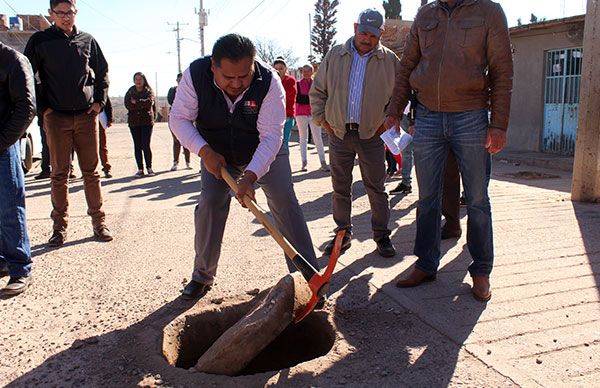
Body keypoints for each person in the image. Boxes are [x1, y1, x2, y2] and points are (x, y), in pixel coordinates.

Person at [170, 33, 320, 300]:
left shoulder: (269, 82)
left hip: (264, 149)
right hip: (216, 152)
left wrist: (250, 176)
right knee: (209, 203)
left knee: (285, 199)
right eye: (229, 77)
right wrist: (205, 152)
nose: (237, 83)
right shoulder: (195, 75)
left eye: (244, 76)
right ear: (213, 66)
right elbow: (179, 119)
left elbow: (272, 137)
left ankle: (308, 278)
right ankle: (202, 276)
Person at [386, 0, 513, 302]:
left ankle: (481, 270)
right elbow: (406, 67)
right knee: (427, 197)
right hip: (427, 116)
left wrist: (499, 125)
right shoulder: (426, 14)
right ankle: (426, 263)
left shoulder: (489, 12)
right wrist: (393, 111)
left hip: (471, 116)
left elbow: (502, 71)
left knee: (478, 199)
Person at [310, 8, 400, 258]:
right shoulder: (335, 55)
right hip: (339, 134)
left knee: (377, 188)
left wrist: (386, 124)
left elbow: (399, 97)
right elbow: (318, 91)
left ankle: (382, 235)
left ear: (380, 34)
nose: (367, 39)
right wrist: (322, 120)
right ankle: (342, 234)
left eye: (373, 35)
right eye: (363, 33)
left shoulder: (390, 61)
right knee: (340, 187)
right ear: (354, 28)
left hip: (372, 135)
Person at [25, 0, 113, 247]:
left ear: (76, 12)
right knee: (59, 174)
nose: (65, 17)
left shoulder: (87, 40)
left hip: (86, 117)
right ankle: (59, 229)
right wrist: (44, 108)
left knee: (91, 173)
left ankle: (99, 223)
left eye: (70, 12)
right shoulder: (40, 41)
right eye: (60, 13)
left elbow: (102, 71)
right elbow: (28, 75)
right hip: (56, 118)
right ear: (51, 14)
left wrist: (99, 103)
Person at [0, 43, 36, 295]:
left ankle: (20, 268)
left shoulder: (12, 60)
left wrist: (1, 140)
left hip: (3, 146)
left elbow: (26, 108)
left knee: (9, 207)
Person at [295, 64, 329, 172]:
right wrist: (310, 99)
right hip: (301, 114)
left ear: (312, 71)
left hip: (314, 114)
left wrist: (308, 99)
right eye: (304, 71)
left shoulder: (316, 83)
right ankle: (304, 162)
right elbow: (299, 99)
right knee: (303, 138)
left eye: (308, 71)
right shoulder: (298, 84)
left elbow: (319, 97)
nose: (305, 73)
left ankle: (323, 162)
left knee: (317, 138)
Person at [124, 72, 156, 177]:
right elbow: (128, 104)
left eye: (140, 79)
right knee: (137, 145)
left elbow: (149, 103)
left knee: (145, 145)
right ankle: (140, 169)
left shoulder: (148, 91)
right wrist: (140, 104)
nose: (138, 81)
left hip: (146, 122)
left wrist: (136, 102)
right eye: (136, 79)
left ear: (144, 80)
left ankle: (149, 167)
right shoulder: (130, 91)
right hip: (134, 122)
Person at [167, 73, 191, 171]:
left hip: (188, 116)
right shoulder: (173, 90)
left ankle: (188, 162)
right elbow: (171, 100)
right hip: (175, 117)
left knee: (187, 140)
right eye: (179, 80)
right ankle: (175, 162)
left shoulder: (190, 90)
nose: (181, 82)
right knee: (176, 141)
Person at [272, 58, 296, 149]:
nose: (278, 71)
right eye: (276, 69)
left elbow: (287, 96)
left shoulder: (290, 80)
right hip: (274, 116)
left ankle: (285, 162)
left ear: (286, 69)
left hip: (287, 115)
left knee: (284, 143)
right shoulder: (272, 80)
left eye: (281, 68)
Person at [98, 97, 113, 178]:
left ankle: (106, 168)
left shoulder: (100, 88)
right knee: (87, 148)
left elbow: (107, 104)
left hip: (100, 120)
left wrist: (109, 119)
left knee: (102, 145)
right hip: (86, 120)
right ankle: (88, 170)